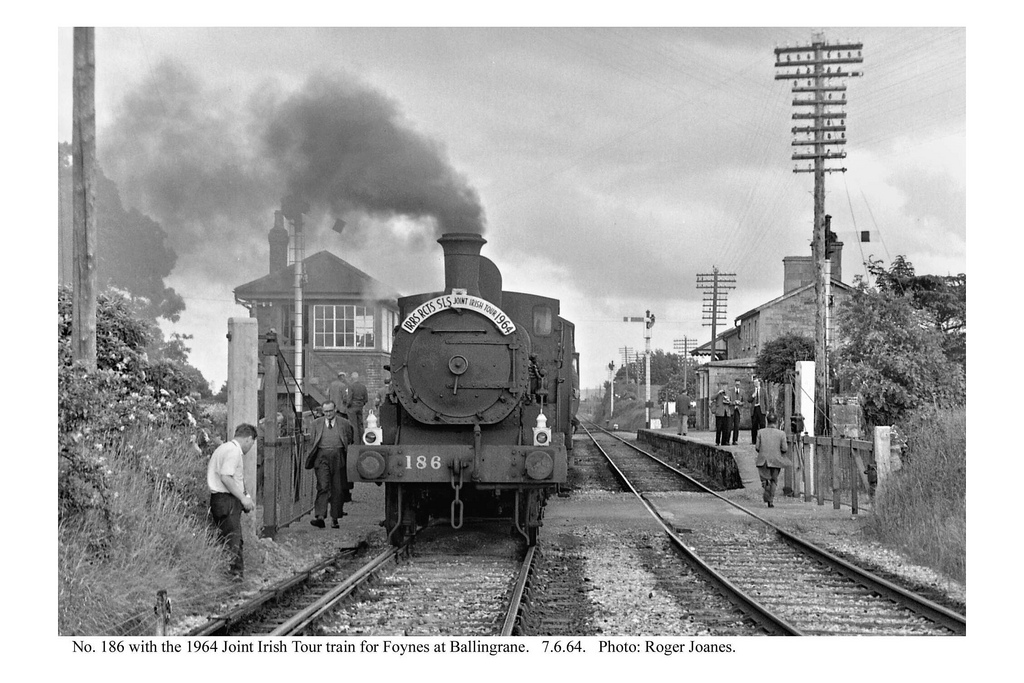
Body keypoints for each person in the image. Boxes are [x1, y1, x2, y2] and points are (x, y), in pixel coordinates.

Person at [207, 423, 257, 580]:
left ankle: (229, 573)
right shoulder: (234, 452)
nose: (251, 447)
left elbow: (234, 479)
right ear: (249, 439)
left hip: (218, 499)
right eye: (252, 443)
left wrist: (245, 496)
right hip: (226, 500)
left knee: (227, 537)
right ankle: (233, 576)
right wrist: (242, 498)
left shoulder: (223, 448)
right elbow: (226, 477)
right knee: (233, 539)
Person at [304, 401, 353, 528]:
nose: (328, 414)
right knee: (323, 486)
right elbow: (313, 440)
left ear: (335, 410)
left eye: (330, 411)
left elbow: (349, 438)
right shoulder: (316, 423)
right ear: (323, 411)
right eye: (326, 411)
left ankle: (335, 518)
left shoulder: (344, 423)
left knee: (338, 488)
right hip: (322, 457)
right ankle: (320, 516)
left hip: (338, 456)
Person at [755, 413, 793, 507]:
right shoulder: (781, 434)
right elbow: (784, 449)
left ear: (767, 421)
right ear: (777, 422)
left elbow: (757, 447)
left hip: (763, 460)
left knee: (764, 478)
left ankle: (766, 484)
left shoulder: (760, 432)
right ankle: (771, 501)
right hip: (776, 461)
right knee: (774, 480)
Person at [346, 371, 369, 445]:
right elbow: (366, 399)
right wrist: (362, 404)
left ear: (352, 378)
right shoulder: (363, 386)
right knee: (360, 425)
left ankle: (355, 442)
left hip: (352, 407)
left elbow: (349, 398)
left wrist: (347, 405)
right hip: (360, 406)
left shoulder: (351, 386)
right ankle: (362, 441)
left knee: (353, 425)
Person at [749, 377, 765, 445]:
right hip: (754, 408)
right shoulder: (752, 390)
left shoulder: (763, 390)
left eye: (756, 382)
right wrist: (753, 396)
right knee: (754, 425)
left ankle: (762, 440)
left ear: (759, 383)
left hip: (761, 409)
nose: (755, 383)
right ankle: (754, 440)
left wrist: (767, 410)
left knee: (762, 425)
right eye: (754, 382)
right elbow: (749, 400)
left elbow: (766, 400)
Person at [730, 378, 743, 445]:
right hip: (732, 410)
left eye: (738, 384)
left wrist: (740, 403)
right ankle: (727, 440)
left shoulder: (742, 392)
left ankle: (735, 440)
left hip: (738, 411)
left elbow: (744, 401)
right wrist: (733, 403)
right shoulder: (731, 391)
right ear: (735, 383)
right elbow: (729, 401)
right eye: (736, 384)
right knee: (729, 425)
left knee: (736, 426)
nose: (737, 385)